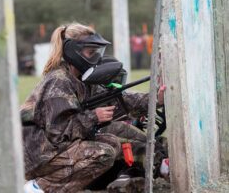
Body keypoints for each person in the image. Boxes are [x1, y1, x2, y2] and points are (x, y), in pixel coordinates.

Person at [21, 22, 167, 193]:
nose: (96, 57)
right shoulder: (58, 82)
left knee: (117, 133)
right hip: (38, 154)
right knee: (103, 153)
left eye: (98, 52)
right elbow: (57, 133)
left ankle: (160, 166)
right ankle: (40, 188)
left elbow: (119, 100)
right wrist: (94, 117)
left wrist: (156, 99)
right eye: (91, 52)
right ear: (72, 51)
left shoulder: (83, 80)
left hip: (55, 148)